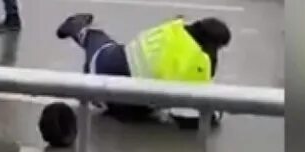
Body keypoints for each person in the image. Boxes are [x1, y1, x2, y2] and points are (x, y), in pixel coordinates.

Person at [55, 13, 231, 121]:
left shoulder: (173, 28)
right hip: (120, 98)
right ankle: (78, 28)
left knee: (101, 42)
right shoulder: (199, 63)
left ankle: (83, 30)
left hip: (109, 69)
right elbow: (193, 118)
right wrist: (215, 114)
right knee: (97, 41)